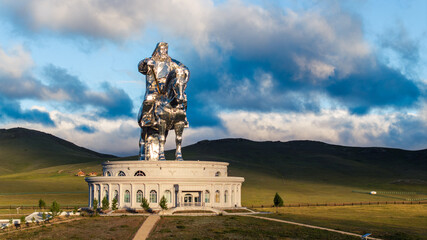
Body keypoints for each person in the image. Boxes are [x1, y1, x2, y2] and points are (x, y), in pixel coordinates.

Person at [137, 42, 189, 160]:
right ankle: (147, 119)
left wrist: (184, 72)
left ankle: (182, 118)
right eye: (162, 49)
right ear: (157, 50)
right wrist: (145, 63)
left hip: (168, 89)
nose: (164, 51)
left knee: (183, 97)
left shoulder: (172, 62)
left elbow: (184, 69)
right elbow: (141, 67)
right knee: (148, 100)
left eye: (166, 49)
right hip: (154, 89)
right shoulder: (151, 61)